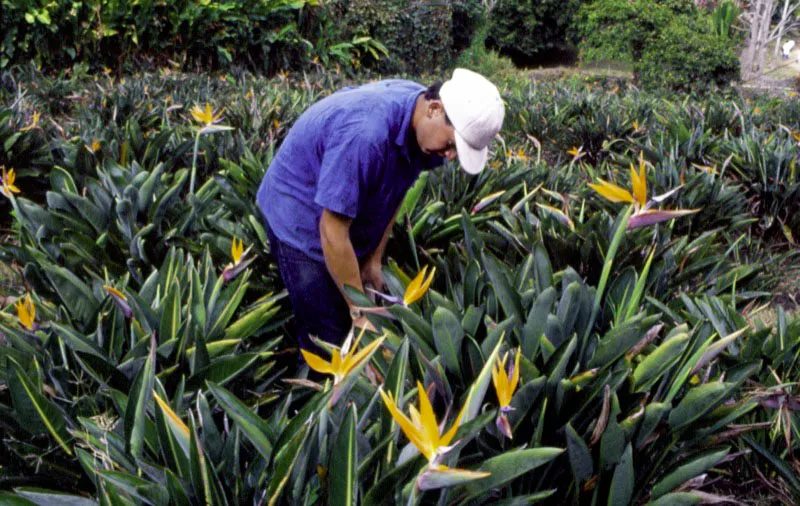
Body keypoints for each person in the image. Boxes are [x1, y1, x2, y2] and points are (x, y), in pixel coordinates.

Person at [255, 68, 505, 358]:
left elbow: (399, 186)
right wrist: (359, 312)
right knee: (329, 337)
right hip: (298, 213)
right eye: (451, 144)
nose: (450, 156)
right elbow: (331, 231)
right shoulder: (366, 136)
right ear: (435, 109)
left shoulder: (422, 124)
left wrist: (374, 258)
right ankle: (315, 392)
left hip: (338, 199)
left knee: (351, 299)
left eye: (458, 151)